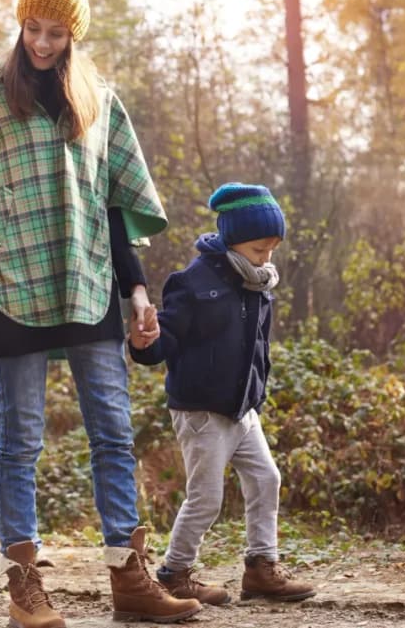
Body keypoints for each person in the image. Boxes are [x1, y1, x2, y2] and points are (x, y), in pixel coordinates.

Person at [0, 0, 201, 627]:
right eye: (32, 28)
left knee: (113, 433)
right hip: (12, 283)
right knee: (20, 441)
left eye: (55, 32)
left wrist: (137, 290)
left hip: (88, 281)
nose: (40, 42)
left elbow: (113, 203)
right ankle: (24, 586)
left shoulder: (98, 101)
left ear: (73, 35)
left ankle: (129, 576)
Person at [128, 182, 317, 604]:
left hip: (242, 409)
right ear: (232, 239)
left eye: (272, 250)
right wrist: (144, 343)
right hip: (202, 411)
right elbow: (164, 342)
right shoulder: (193, 282)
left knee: (267, 479)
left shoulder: (258, 284)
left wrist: (257, 392)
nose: (266, 258)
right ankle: (175, 573)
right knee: (207, 498)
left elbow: (258, 347)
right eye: (258, 249)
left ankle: (261, 569)